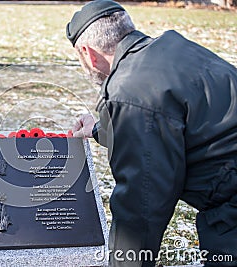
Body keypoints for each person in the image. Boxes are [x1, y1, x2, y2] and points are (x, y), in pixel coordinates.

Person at [66, 1, 237, 266]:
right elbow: (166, 125)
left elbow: (141, 206)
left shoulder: (128, 91)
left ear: (88, 54)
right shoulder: (174, 50)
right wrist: (101, 128)